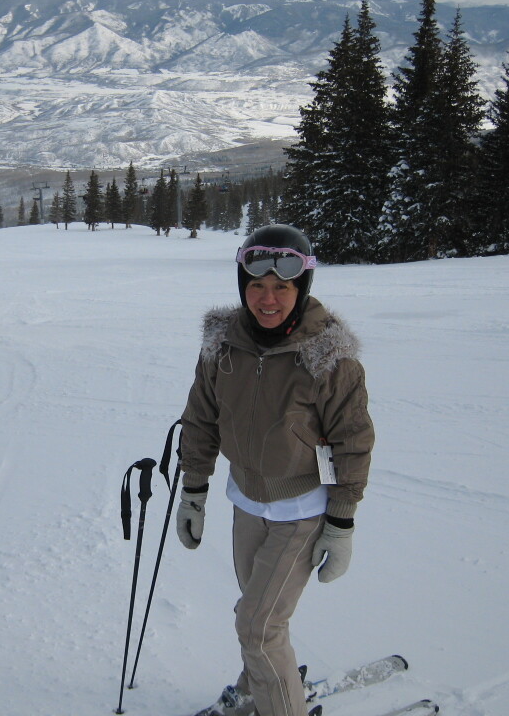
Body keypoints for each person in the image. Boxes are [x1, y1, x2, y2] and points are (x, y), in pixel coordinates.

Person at [177, 224, 374, 716]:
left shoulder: (329, 356)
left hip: (301, 510)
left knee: (259, 627)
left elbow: (352, 441)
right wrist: (193, 493)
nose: (268, 299)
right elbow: (201, 419)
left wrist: (341, 523)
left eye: (282, 287)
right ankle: (256, 688)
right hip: (246, 502)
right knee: (254, 611)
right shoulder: (223, 346)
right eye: (257, 286)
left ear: (301, 287)